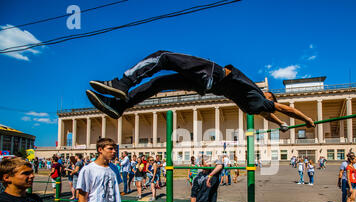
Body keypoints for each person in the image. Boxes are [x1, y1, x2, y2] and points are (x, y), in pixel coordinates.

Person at [86, 50, 316, 132]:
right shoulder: (255, 107)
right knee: (160, 84)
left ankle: (123, 83)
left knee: (164, 57)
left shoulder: (261, 100)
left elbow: (282, 108)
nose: (267, 92)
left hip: (212, 74)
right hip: (206, 87)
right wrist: (281, 124)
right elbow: (272, 114)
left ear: (269, 98)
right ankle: (118, 106)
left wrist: (307, 119)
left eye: (269, 94)